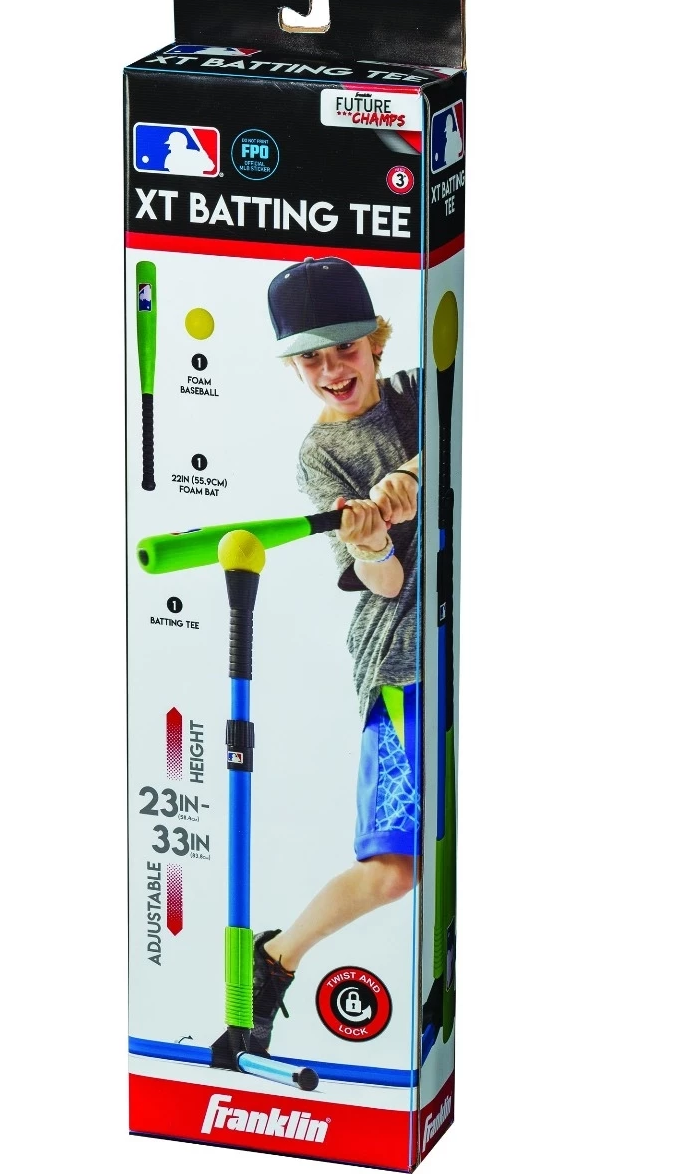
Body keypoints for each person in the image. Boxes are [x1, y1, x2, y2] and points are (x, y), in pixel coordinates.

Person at [243, 257, 422, 1055]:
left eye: (345, 348)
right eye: (311, 358)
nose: (332, 370)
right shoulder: (321, 459)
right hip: (403, 666)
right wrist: (375, 540)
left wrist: (411, 470)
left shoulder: (420, 394)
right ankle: (275, 959)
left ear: (375, 340)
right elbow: (385, 585)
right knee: (395, 869)